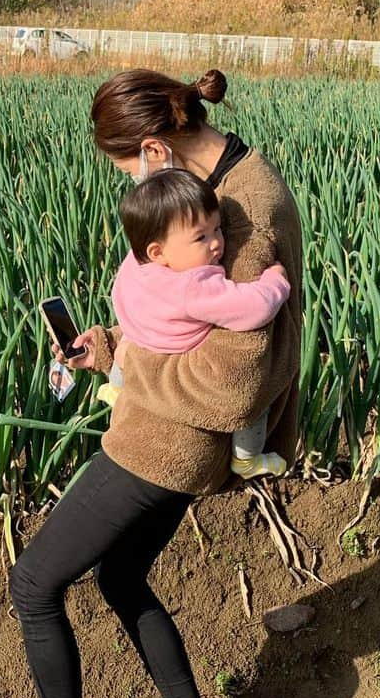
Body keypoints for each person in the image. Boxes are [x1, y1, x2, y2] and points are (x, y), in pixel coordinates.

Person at [0, 68, 303, 698]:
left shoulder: (239, 212)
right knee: (120, 578)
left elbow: (232, 383)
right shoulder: (233, 182)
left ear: (155, 148)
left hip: (162, 444)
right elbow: (194, 327)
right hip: (167, 437)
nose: (128, 183)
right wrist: (117, 344)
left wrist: (127, 363)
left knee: (34, 583)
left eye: (127, 166)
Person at [99, 168, 291, 480]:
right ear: (157, 252)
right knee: (255, 403)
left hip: (136, 335)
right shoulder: (195, 287)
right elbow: (253, 308)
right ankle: (247, 460)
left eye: (217, 229)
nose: (217, 243)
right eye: (201, 237)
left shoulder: (135, 264)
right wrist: (276, 282)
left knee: (126, 346)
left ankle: (116, 387)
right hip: (172, 349)